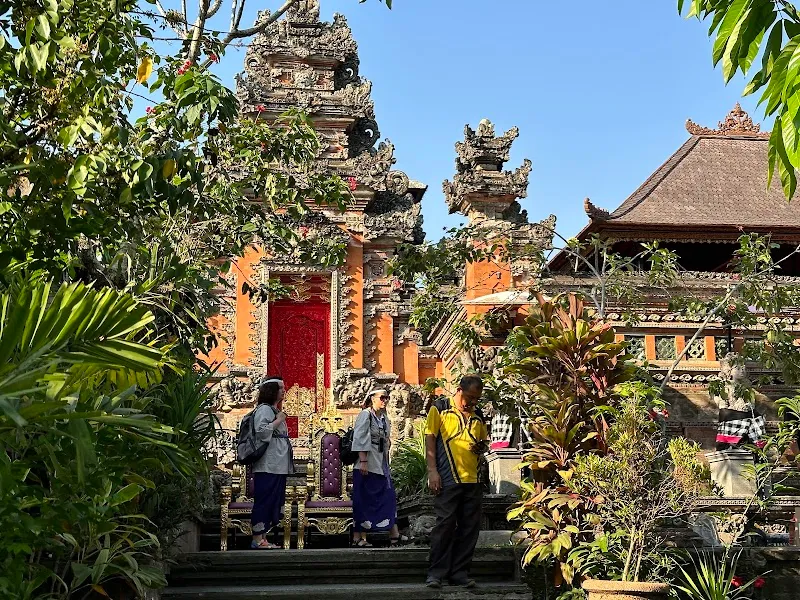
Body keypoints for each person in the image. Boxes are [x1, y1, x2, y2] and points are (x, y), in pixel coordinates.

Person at [424, 375, 489, 588]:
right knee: (445, 525)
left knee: (470, 527)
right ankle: (436, 574)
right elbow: (430, 438)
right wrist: (432, 471)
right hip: (448, 476)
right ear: (459, 390)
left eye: (476, 399)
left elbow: (482, 441)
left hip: (473, 478)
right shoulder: (440, 408)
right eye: (469, 397)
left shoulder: (478, 415)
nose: (472, 403)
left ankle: (459, 573)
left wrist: (481, 447)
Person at [351, 389, 407, 547]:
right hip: (367, 462)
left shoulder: (383, 418)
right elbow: (360, 437)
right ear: (372, 399)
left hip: (381, 463)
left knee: (388, 496)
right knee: (364, 499)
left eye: (387, 398)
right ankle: (358, 537)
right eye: (382, 398)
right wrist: (363, 461)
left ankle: (393, 533)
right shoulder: (365, 415)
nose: (385, 400)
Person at [250, 376, 294, 550]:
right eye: (281, 388)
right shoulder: (264, 410)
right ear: (271, 391)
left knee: (272, 499)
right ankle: (257, 538)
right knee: (264, 498)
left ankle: (263, 537)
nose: (284, 390)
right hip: (269, 464)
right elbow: (261, 432)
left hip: (277, 464)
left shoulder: (273, 410)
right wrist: (279, 420)